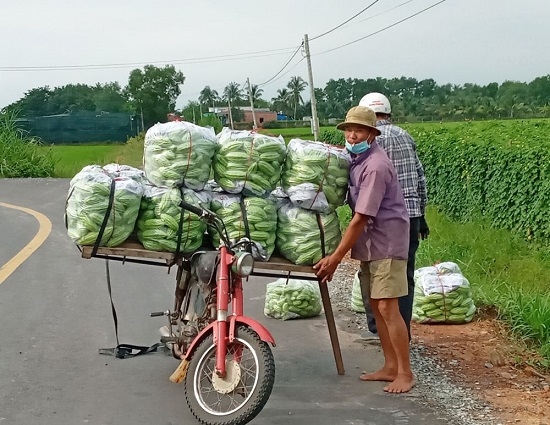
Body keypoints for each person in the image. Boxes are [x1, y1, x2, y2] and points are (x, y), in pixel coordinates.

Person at [314, 105, 414, 394]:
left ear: (372, 135)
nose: (352, 135)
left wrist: (335, 259)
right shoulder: (357, 160)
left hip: (388, 242)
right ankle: (389, 366)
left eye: (359, 130)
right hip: (371, 243)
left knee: (387, 306)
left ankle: (405, 373)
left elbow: (360, 218)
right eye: (349, 130)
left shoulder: (376, 166)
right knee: (375, 304)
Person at [358, 92, 429, 342]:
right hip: (411, 216)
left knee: (375, 276)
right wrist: (422, 216)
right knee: (404, 278)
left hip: (383, 219)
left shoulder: (370, 139)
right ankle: (402, 331)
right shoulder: (405, 135)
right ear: (389, 112)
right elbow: (420, 177)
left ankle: (381, 331)